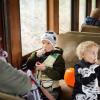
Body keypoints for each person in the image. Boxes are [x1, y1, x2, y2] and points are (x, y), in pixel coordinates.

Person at [22, 31, 65, 100]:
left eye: (48, 43)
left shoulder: (58, 57)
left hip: (52, 89)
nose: (45, 45)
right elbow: (28, 65)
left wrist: (45, 69)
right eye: (43, 43)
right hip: (38, 87)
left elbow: (59, 76)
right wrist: (35, 56)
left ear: (53, 44)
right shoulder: (38, 54)